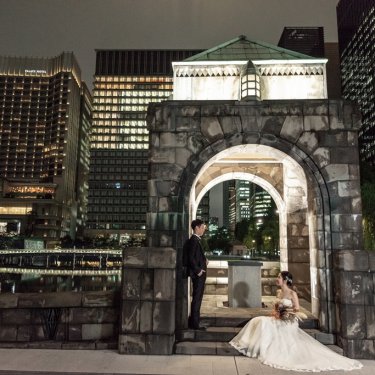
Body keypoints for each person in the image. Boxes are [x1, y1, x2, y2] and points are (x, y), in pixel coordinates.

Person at [229, 271, 363, 372]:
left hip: (288, 321)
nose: (277, 279)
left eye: (279, 278)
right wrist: (276, 313)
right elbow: (277, 308)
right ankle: (249, 344)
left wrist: (286, 314)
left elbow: (297, 309)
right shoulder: (279, 293)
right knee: (257, 320)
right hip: (279, 319)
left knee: (263, 323)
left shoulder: (292, 294)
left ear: (285, 280)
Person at [183, 219, 208, 330]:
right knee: (197, 298)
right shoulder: (193, 240)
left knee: (197, 298)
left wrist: (204, 259)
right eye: (202, 227)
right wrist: (198, 270)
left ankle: (195, 322)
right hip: (198, 275)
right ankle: (195, 324)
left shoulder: (195, 240)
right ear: (197, 228)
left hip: (199, 273)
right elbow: (190, 257)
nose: (203, 229)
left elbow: (195, 256)